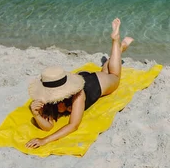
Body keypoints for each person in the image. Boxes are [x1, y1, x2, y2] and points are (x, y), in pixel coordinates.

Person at [26, 18, 133, 149]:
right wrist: (36, 114)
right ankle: (119, 49)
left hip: (96, 83)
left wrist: (45, 141)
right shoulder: (45, 97)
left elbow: (73, 125)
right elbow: (48, 126)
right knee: (107, 69)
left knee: (114, 76)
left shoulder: (78, 95)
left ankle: (116, 41)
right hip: (82, 78)